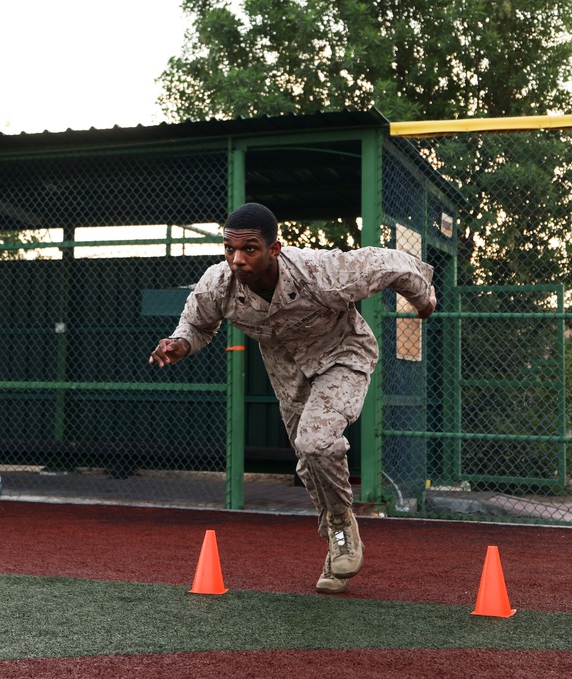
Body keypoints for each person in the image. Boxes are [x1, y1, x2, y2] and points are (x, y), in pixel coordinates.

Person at [149, 202, 435, 594]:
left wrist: (424, 300)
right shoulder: (219, 284)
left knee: (316, 441)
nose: (238, 260)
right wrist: (181, 344)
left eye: (250, 249)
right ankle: (337, 552)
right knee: (309, 463)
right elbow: (196, 323)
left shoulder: (319, 273)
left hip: (342, 357)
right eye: (230, 249)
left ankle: (341, 527)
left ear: (275, 249)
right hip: (289, 375)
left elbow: (388, 264)